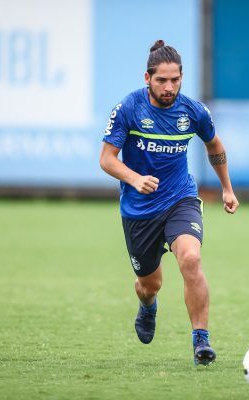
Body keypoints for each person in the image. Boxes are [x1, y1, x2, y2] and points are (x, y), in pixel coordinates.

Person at [99, 40, 239, 366]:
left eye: (175, 79)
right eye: (161, 80)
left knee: (190, 258)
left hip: (180, 199)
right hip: (139, 209)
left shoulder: (193, 111)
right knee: (151, 284)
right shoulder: (129, 108)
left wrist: (227, 188)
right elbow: (107, 159)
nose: (169, 87)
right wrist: (134, 178)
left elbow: (214, 145)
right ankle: (148, 305)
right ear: (146, 78)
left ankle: (201, 341)